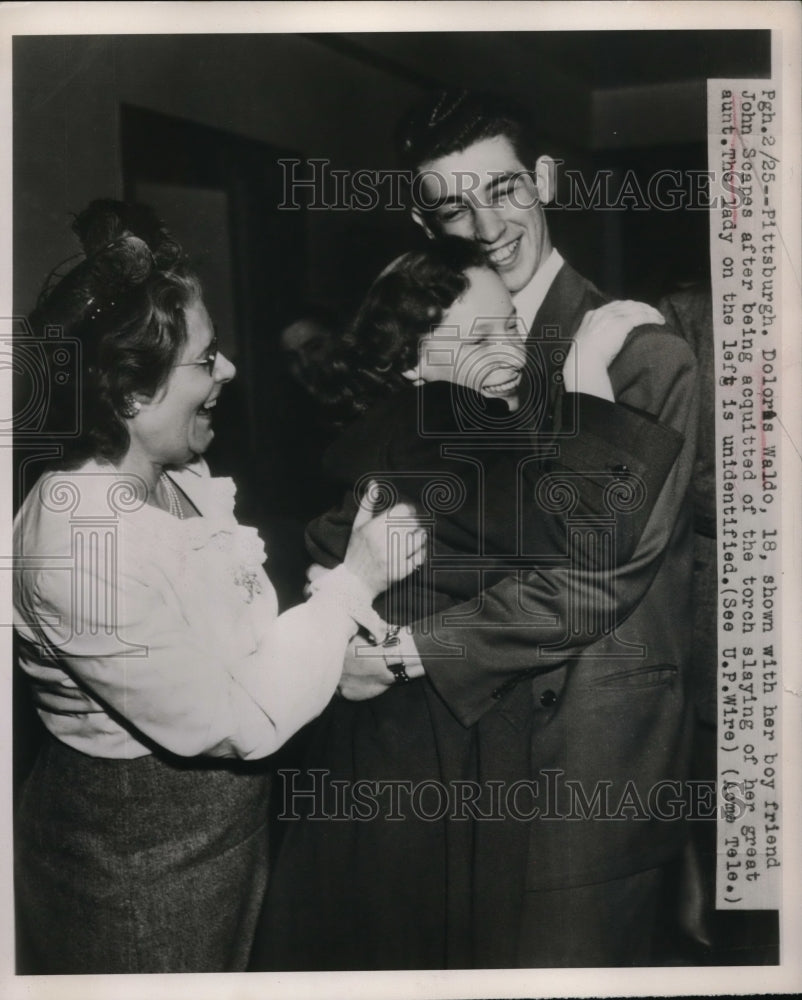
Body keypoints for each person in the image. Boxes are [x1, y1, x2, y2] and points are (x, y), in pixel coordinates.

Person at [251, 225, 697, 970]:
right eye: (482, 333)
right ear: (416, 359)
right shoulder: (446, 429)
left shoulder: (417, 429)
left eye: (513, 328)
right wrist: (583, 372)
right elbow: (591, 541)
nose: (511, 350)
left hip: (398, 742)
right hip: (425, 749)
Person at [12, 199, 424, 975]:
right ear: (132, 395)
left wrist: (337, 657)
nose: (228, 369)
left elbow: (232, 648)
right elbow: (239, 718)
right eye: (204, 359)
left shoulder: (181, 479)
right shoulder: (81, 550)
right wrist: (353, 583)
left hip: (224, 830)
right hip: (136, 865)